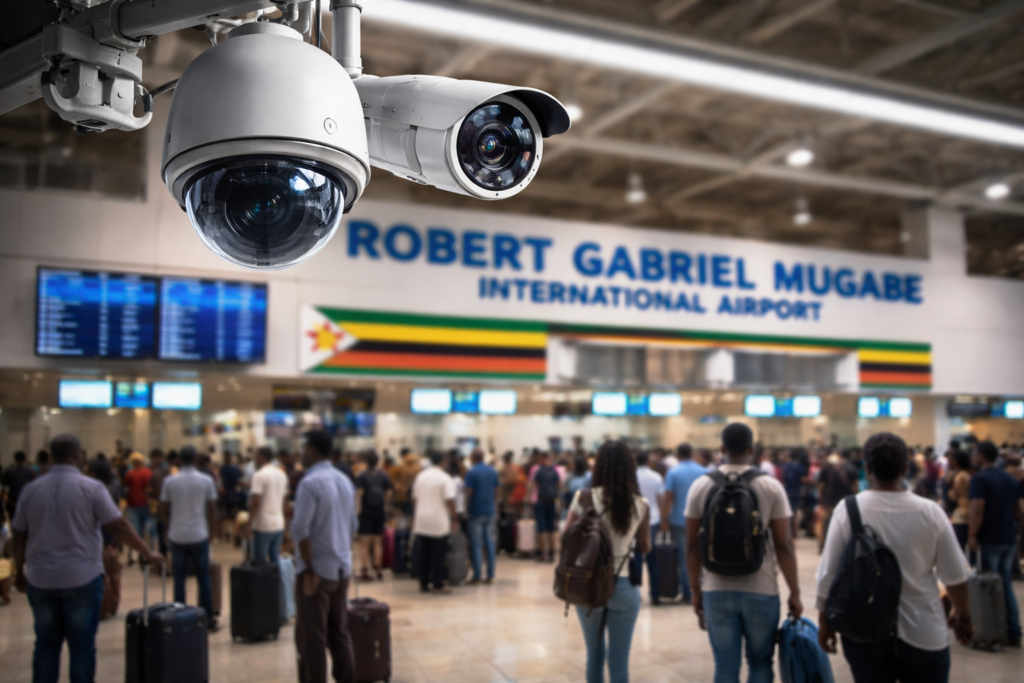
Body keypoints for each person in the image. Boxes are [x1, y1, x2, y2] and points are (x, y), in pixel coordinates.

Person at [816, 432, 974, 681]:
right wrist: (963, 615)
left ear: (867, 468)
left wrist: (825, 619)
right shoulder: (930, 512)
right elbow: (954, 576)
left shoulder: (848, 509)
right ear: (905, 468)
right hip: (924, 631)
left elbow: (828, 573)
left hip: (865, 630)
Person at [10, 434, 161, 683]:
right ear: (77, 455)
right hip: (81, 578)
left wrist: (19, 571)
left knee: (46, 643)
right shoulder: (91, 488)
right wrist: (147, 552)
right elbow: (118, 526)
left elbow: (18, 534)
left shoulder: (30, 490)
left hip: (40, 579)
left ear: (50, 457)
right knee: (82, 644)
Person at [685, 423, 802, 683]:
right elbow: (784, 545)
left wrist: (695, 590)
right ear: (751, 450)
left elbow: (692, 545)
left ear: (722, 449)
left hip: (715, 588)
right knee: (760, 663)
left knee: (725, 667)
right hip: (761, 589)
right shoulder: (771, 486)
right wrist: (794, 592)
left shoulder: (701, 486)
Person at [565, 440, 650, 683]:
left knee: (594, 656)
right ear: (629, 467)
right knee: (619, 661)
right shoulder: (640, 504)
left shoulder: (583, 498)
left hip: (589, 584)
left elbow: (567, 536)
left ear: (599, 466)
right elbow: (645, 546)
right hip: (623, 584)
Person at [291, 430, 358, 683]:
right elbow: (353, 525)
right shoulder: (345, 481)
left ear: (313, 450)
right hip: (341, 568)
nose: (301, 453)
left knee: (312, 639)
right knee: (339, 632)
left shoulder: (310, 483)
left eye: (303, 448)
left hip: (317, 571)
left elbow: (301, 529)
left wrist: (309, 569)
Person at [968, 440, 1023, 647]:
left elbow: (978, 509)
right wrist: (1017, 530)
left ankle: (992, 631)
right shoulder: (1010, 479)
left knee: (990, 586)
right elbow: (1019, 509)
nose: (973, 456)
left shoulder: (980, 479)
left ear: (982, 456)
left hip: (990, 537)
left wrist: (972, 535)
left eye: (976, 453)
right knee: (1005, 582)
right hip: (1008, 536)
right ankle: (1013, 630)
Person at [159, 444, 219, 630]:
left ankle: (180, 619)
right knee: (203, 578)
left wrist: (167, 529)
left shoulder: (169, 481)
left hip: (177, 535)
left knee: (179, 578)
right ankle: (207, 618)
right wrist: (212, 531)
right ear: (196, 459)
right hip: (199, 534)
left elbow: (163, 508)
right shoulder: (206, 480)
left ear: (179, 460)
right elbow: (212, 508)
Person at [662, 443, 705, 603]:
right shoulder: (703, 471)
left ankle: (688, 591)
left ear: (678, 455)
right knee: (702, 553)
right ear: (692, 454)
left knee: (684, 555)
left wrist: (664, 518)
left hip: (680, 519)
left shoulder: (673, 472)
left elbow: (669, 496)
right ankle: (701, 587)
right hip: (701, 519)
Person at [411, 452, 457, 595]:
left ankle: (423, 584)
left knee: (424, 553)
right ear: (443, 461)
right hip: (438, 521)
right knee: (438, 555)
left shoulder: (421, 476)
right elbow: (450, 500)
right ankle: (438, 585)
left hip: (421, 520)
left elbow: (414, 498)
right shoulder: (445, 478)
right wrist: (454, 518)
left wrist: (416, 515)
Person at [632, 451, 665, 605]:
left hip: (636, 520)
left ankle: (636, 594)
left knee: (637, 557)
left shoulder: (632, 477)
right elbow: (661, 499)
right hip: (653, 519)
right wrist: (664, 519)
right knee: (653, 558)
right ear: (648, 461)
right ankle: (655, 595)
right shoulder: (656, 477)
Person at [355, 451, 392, 581]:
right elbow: (388, 492)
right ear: (377, 462)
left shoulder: (362, 475)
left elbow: (359, 493)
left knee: (364, 543)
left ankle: (364, 569)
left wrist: (357, 509)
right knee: (378, 541)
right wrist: (385, 506)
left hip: (366, 511)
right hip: (379, 511)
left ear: (366, 461)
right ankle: (378, 569)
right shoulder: (383, 475)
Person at [463, 449, 499, 585]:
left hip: (476, 511)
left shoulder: (471, 472)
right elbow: (497, 490)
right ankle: (490, 575)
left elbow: (469, 491)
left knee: (476, 544)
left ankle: (477, 576)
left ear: (473, 458)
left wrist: (466, 509)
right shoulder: (492, 471)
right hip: (490, 510)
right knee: (489, 543)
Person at [248, 446, 289, 563]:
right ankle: (277, 576)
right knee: (275, 559)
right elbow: (284, 500)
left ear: (262, 457)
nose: (255, 459)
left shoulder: (259, 475)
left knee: (259, 562)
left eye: (256, 456)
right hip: (278, 523)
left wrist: (249, 524)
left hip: (262, 524)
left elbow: (256, 501)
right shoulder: (282, 474)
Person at [816, 452, 859, 553]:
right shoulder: (852, 468)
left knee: (827, 522)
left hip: (830, 500)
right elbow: (855, 487)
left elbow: (822, 486)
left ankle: (824, 545)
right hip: (847, 501)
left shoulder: (826, 468)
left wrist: (821, 499)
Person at [529, 451, 562, 563]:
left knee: (541, 528)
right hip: (551, 501)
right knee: (551, 528)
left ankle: (542, 554)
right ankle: (552, 554)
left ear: (542, 459)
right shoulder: (555, 470)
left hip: (540, 501)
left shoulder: (538, 470)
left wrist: (529, 498)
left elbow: (534, 485)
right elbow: (559, 485)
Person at [123, 452, 153, 566]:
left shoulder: (130, 474)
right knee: (146, 532)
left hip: (133, 505)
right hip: (145, 504)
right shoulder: (148, 473)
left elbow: (126, 488)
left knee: (135, 531)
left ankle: (136, 554)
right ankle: (145, 553)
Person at [947, 450, 973, 550]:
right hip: (960, 510)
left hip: (962, 512)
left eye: (951, 459)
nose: (949, 461)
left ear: (956, 460)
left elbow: (955, 495)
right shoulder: (957, 473)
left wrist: (950, 493)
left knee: (959, 545)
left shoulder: (962, 476)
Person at [2, 450, 35, 522]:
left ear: (15, 459)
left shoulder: (10, 471)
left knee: (14, 521)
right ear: (24, 459)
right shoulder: (30, 471)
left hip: (14, 501)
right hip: (27, 500)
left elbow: (3, 483)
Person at [779, 450, 806, 539]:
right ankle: (794, 534)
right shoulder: (799, 467)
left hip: (785, 493)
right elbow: (802, 480)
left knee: (785, 514)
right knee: (795, 514)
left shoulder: (783, 466)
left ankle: (787, 534)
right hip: (795, 493)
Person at [389, 449, 421, 520]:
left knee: (404, 511)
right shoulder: (417, 469)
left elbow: (392, 478)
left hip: (404, 492)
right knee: (408, 511)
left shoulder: (400, 468)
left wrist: (396, 484)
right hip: (408, 493)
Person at [219, 452, 243, 542]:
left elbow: (221, 481)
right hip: (234, 494)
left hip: (225, 494)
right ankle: (233, 534)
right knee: (234, 515)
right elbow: (238, 480)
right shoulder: (235, 468)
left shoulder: (222, 469)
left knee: (226, 515)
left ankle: (226, 532)